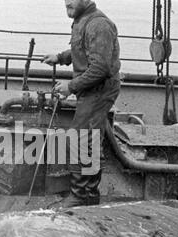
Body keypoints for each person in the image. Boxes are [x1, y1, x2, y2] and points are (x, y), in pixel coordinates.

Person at [43, 0, 121, 208]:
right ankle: (89, 195)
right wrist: (60, 57)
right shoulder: (83, 20)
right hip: (90, 88)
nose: (67, 2)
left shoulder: (98, 25)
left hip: (99, 89)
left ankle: (81, 196)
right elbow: (82, 50)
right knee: (88, 138)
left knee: (80, 139)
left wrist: (71, 86)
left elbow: (100, 69)